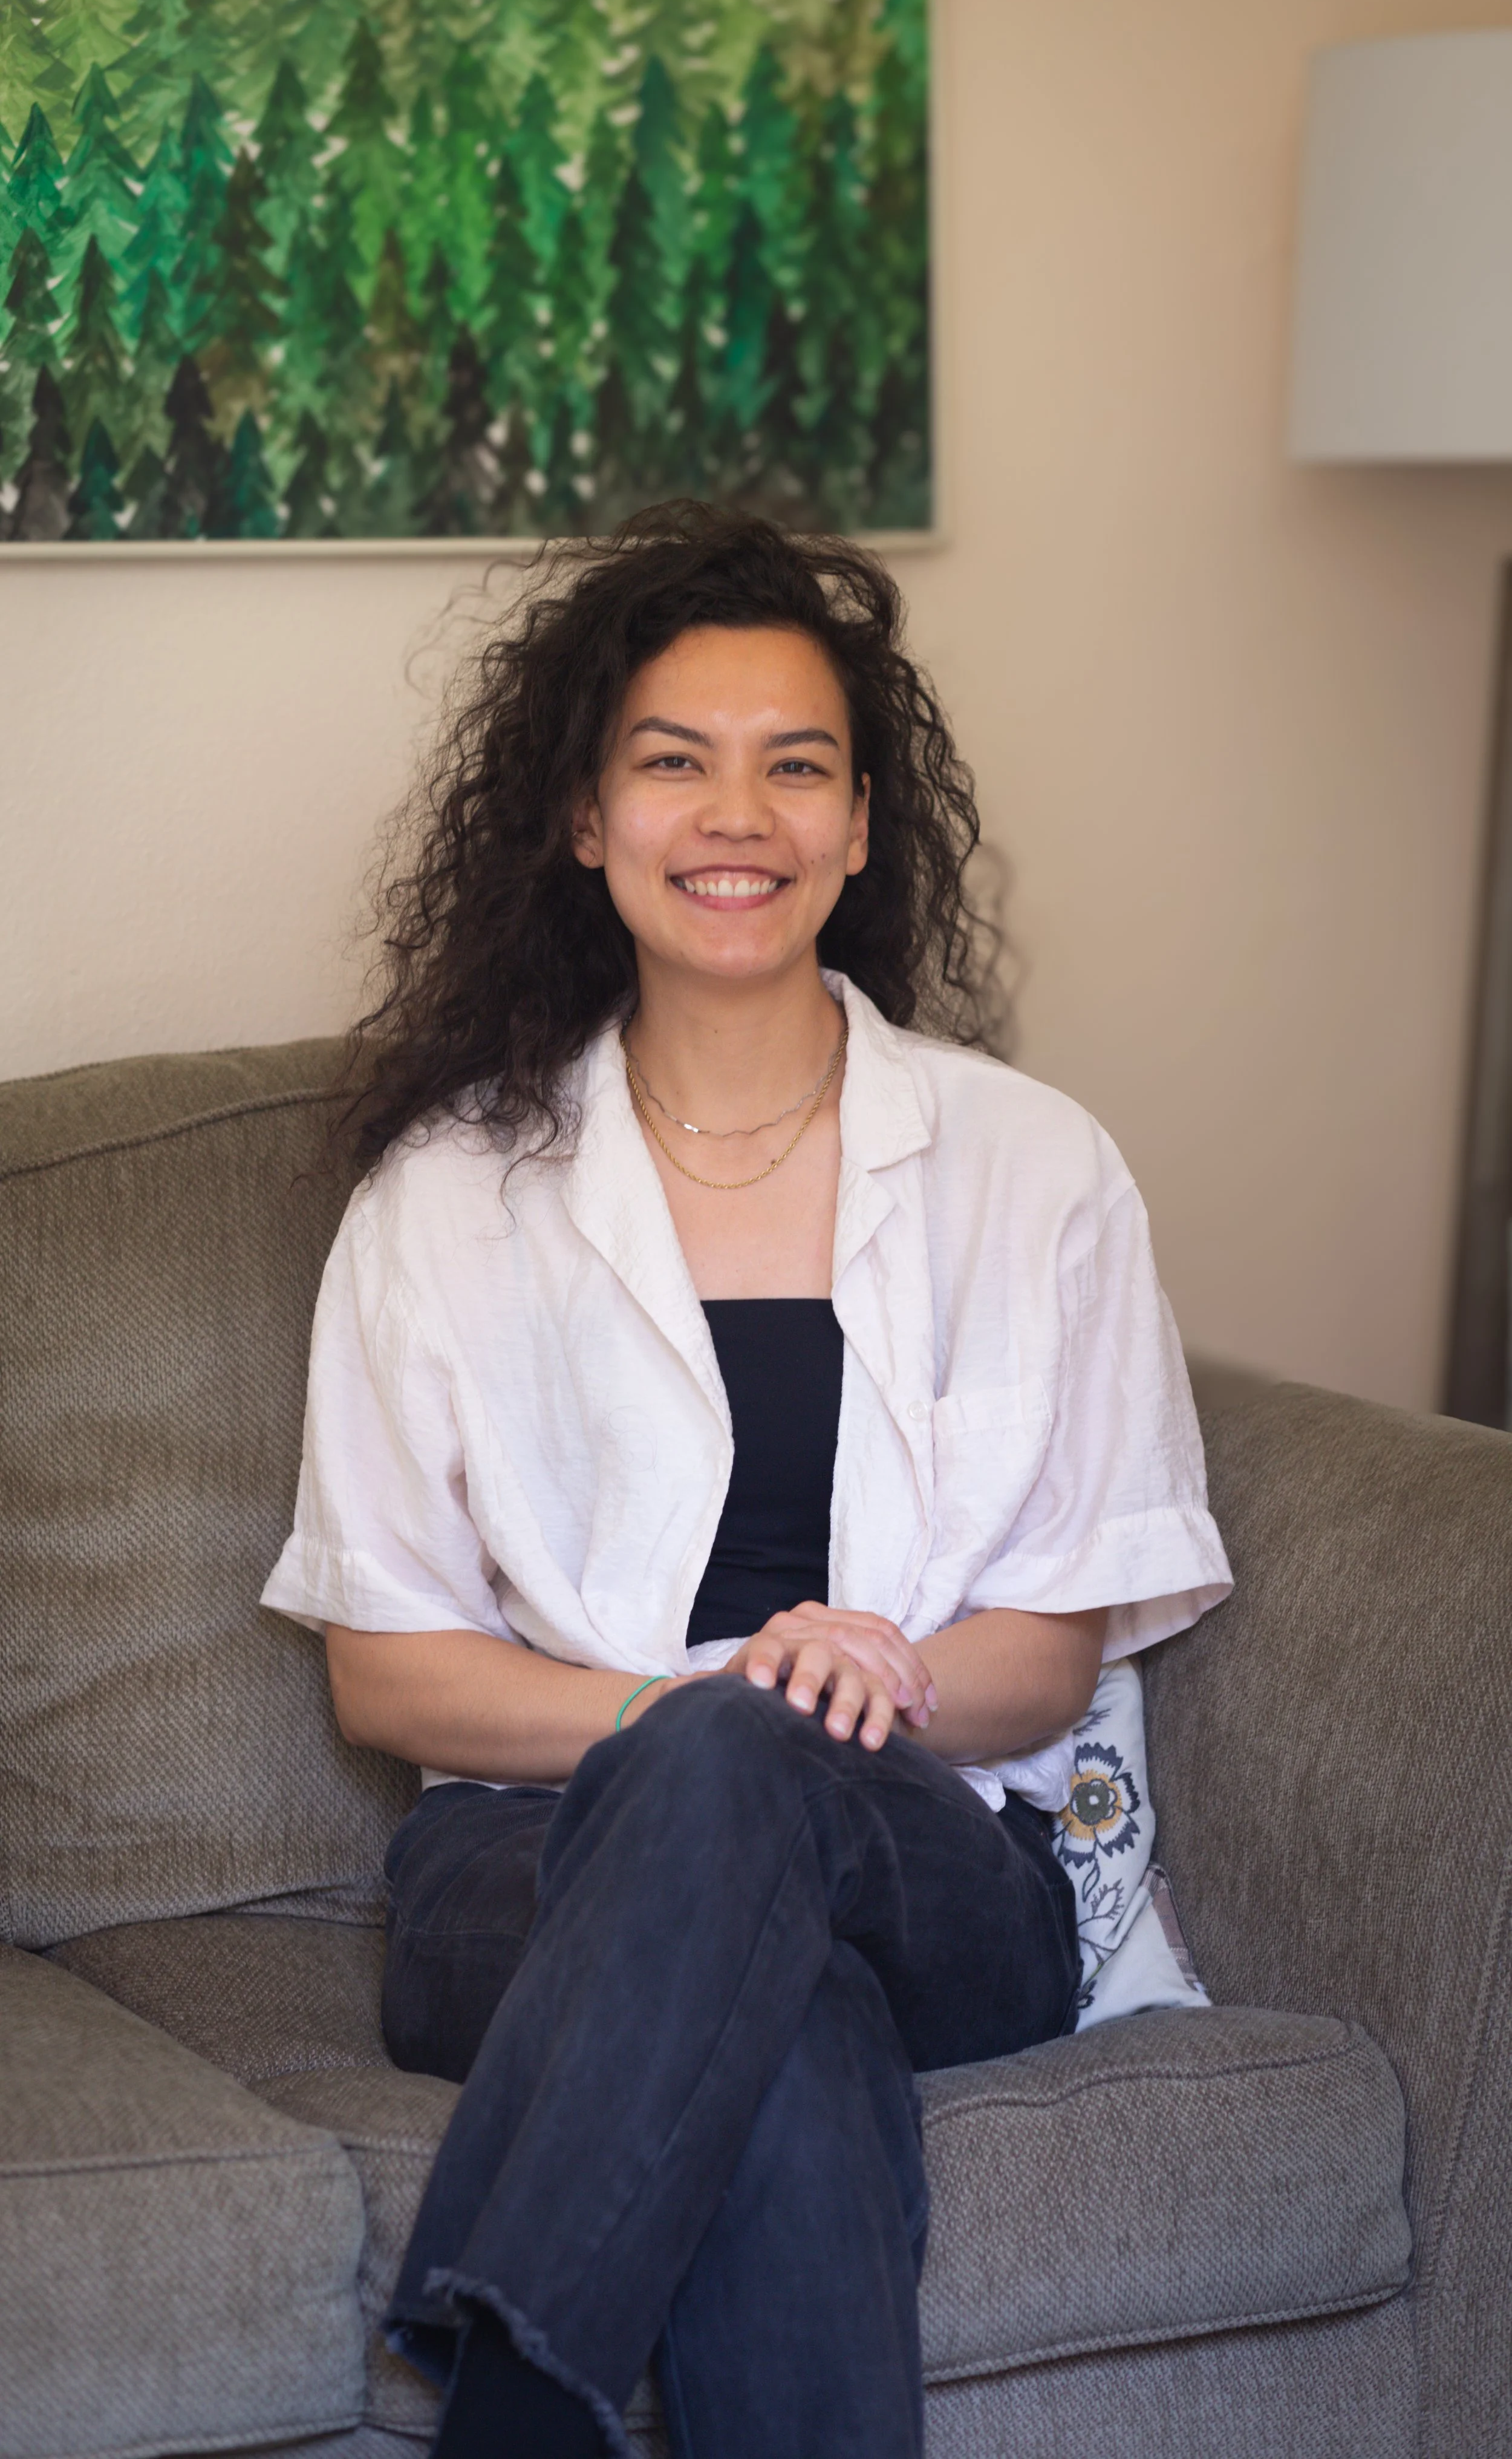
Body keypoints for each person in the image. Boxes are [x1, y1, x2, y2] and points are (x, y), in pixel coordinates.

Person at [262, 501, 1230, 2459]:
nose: (739, 813)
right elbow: (390, 1675)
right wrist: (694, 1712)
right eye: (672, 760)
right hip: (524, 1863)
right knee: (772, 2001)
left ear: (862, 825)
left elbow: (1050, 1650)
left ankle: (512, 2391)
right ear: (583, 818)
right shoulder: (446, 1201)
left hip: (935, 1844)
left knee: (755, 1781)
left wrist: (864, 1686)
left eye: (796, 764)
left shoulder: (1034, 1169)